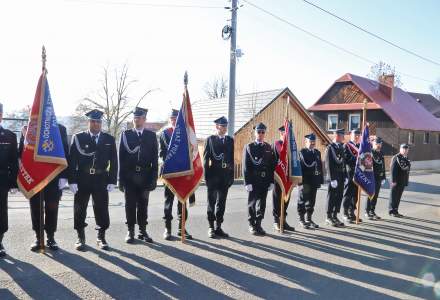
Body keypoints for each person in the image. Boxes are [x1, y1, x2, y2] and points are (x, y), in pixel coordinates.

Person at [68, 109, 118, 250]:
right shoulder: (78, 138)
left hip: (101, 178)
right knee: (79, 209)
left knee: (101, 208)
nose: (96, 124)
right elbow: (72, 161)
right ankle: (80, 237)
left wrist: (112, 180)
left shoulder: (109, 139)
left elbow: (114, 161)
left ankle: (101, 237)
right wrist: (71, 180)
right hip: (82, 177)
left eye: (98, 121)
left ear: (101, 123)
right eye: (93, 121)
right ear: (88, 122)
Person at [19, 124, 69, 251]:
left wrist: (64, 177)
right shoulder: (30, 126)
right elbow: (21, 153)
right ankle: (38, 237)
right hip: (34, 177)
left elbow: (65, 153)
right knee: (36, 208)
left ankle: (51, 237)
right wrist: (25, 138)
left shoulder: (60, 129)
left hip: (53, 176)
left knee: (52, 208)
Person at [119, 107, 158, 244]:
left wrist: (154, 179)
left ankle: (142, 230)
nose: (137, 120)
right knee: (130, 205)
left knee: (143, 205)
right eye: (135, 118)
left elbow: (154, 159)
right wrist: (120, 179)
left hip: (145, 176)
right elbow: (121, 159)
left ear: (144, 119)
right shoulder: (125, 135)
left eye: (140, 118)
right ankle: (130, 231)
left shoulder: (151, 136)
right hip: (129, 177)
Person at [159, 109, 194, 240]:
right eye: (172, 118)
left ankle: (181, 228)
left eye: (176, 119)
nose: (174, 120)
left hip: (182, 173)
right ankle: (167, 229)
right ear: (170, 120)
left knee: (182, 202)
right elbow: (161, 153)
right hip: (169, 173)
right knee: (168, 202)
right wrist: (166, 162)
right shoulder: (165, 134)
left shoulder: (185, 135)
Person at [242, 122, 276, 236]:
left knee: (262, 203)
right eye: (259, 132)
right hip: (253, 179)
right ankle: (252, 224)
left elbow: (271, 166)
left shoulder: (268, 147)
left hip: (264, 180)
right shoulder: (249, 147)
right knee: (252, 203)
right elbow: (246, 166)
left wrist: (271, 181)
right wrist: (247, 182)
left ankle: (259, 224)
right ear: (255, 133)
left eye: (263, 132)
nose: (261, 134)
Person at [203, 116, 234, 238]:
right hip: (213, 175)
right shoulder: (210, 139)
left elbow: (231, 160)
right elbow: (206, 160)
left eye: (226, 126)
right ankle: (211, 227)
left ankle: (218, 226)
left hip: (225, 176)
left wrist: (231, 176)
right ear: (217, 127)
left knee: (221, 202)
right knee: (211, 202)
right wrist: (207, 177)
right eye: (222, 126)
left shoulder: (230, 140)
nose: (225, 128)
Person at [0, 103, 19, 257]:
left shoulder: (9, 136)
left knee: (1, 211)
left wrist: (14, 183)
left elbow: (13, 161)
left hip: (2, 179)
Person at [298, 133, 324, 229]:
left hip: (314, 180)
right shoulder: (302, 152)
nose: (312, 143)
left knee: (312, 201)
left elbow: (320, 167)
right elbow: (300, 167)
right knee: (302, 200)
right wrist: (299, 182)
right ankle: (301, 219)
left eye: (313, 142)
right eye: (310, 142)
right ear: (306, 142)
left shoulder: (317, 152)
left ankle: (309, 218)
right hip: (305, 180)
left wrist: (320, 180)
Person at [272, 125, 295, 232]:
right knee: (277, 200)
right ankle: (276, 221)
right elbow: (281, 154)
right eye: (287, 133)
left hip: (288, 177)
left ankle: (283, 220)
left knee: (286, 199)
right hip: (278, 177)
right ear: (282, 133)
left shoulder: (291, 146)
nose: (289, 135)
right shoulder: (278, 143)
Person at [325, 129, 347, 227]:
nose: (343, 137)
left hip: (341, 176)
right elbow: (328, 164)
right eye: (342, 135)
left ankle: (335, 215)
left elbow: (343, 163)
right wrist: (331, 178)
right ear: (337, 136)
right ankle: (329, 216)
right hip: (334, 177)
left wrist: (345, 175)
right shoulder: (330, 147)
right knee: (332, 196)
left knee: (339, 196)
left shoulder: (341, 147)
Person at [342, 129, 361, 224]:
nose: (357, 136)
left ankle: (352, 212)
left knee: (355, 194)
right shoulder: (347, 146)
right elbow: (345, 160)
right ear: (350, 135)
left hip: (358, 174)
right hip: (349, 173)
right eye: (355, 134)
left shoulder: (360, 147)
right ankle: (345, 213)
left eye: (358, 135)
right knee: (348, 194)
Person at [365, 137, 386, 220]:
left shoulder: (381, 153)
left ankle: (372, 211)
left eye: (380, 144)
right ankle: (367, 211)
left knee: (376, 195)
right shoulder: (370, 153)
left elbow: (383, 166)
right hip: (371, 177)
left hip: (379, 178)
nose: (379, 146)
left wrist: (383, 177)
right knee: (370, 194)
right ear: (373, 144)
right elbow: (366, 166)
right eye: (377, 144)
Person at [389, 144, 411, 217]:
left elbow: (406, 171)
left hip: (402, 181)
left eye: (406, 149)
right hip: (396, 181)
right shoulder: (396, 157)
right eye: (403, 149)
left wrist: (406, 181)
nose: (405, 150)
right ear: (400, 149)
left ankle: (396, 210)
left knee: (398, 196)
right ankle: (392, 211)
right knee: (393, 196)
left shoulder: (406, 158)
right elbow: (393, 170)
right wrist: (393, 181)